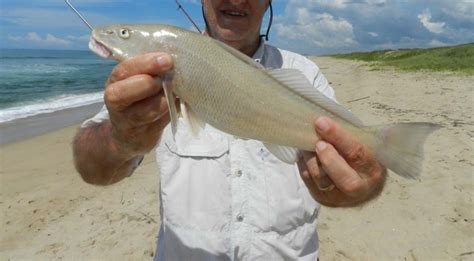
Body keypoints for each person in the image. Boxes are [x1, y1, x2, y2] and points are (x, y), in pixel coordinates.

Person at [73, 0, 386, 259]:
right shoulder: (147, 83)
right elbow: (92, 168)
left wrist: (360, 182)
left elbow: (362, 169)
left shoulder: (304, 73)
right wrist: (119, 139)